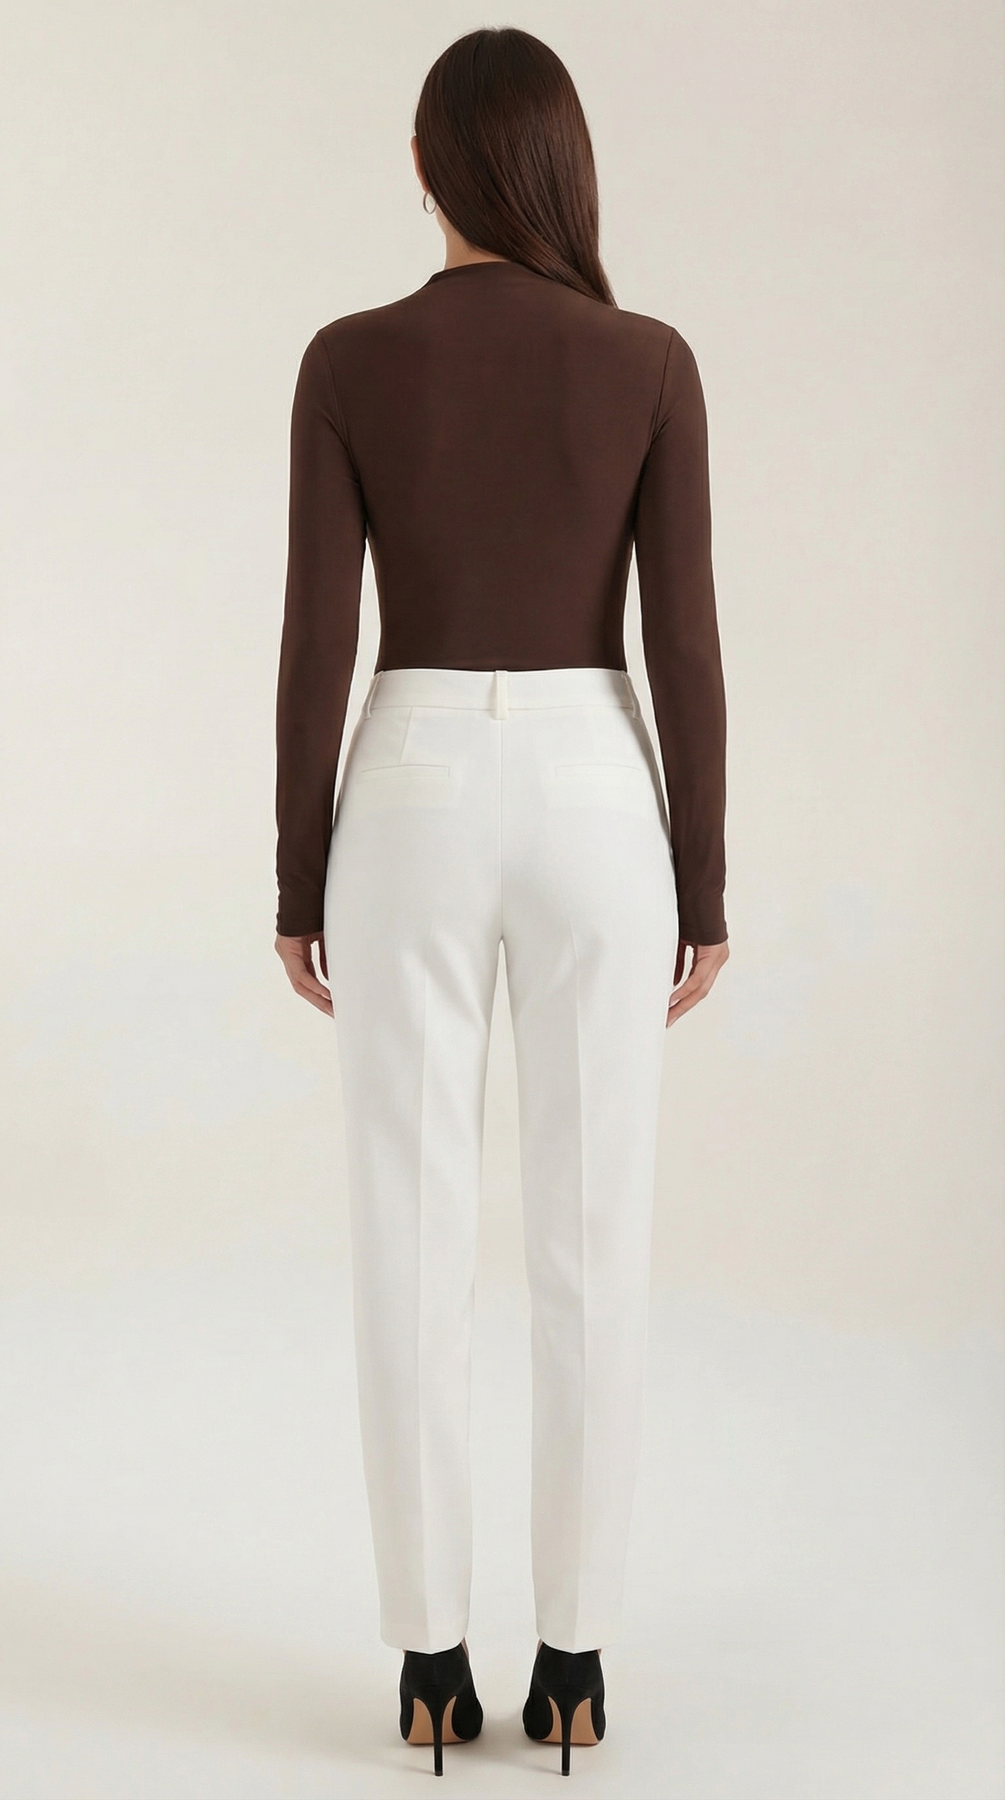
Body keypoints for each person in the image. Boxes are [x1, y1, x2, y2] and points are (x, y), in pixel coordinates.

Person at [274, 25, 729, 1779]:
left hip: (404, 787)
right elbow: (684, 642)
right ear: (562, 165)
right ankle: (579, 1663)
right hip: (602, 785)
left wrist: (296, 870)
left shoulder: (348, 360)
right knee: (592, 1236)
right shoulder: (648, 362)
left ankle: (426, 1663)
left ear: (424, 168)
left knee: (409, 1231)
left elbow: (319, 637)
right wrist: (706, 875)